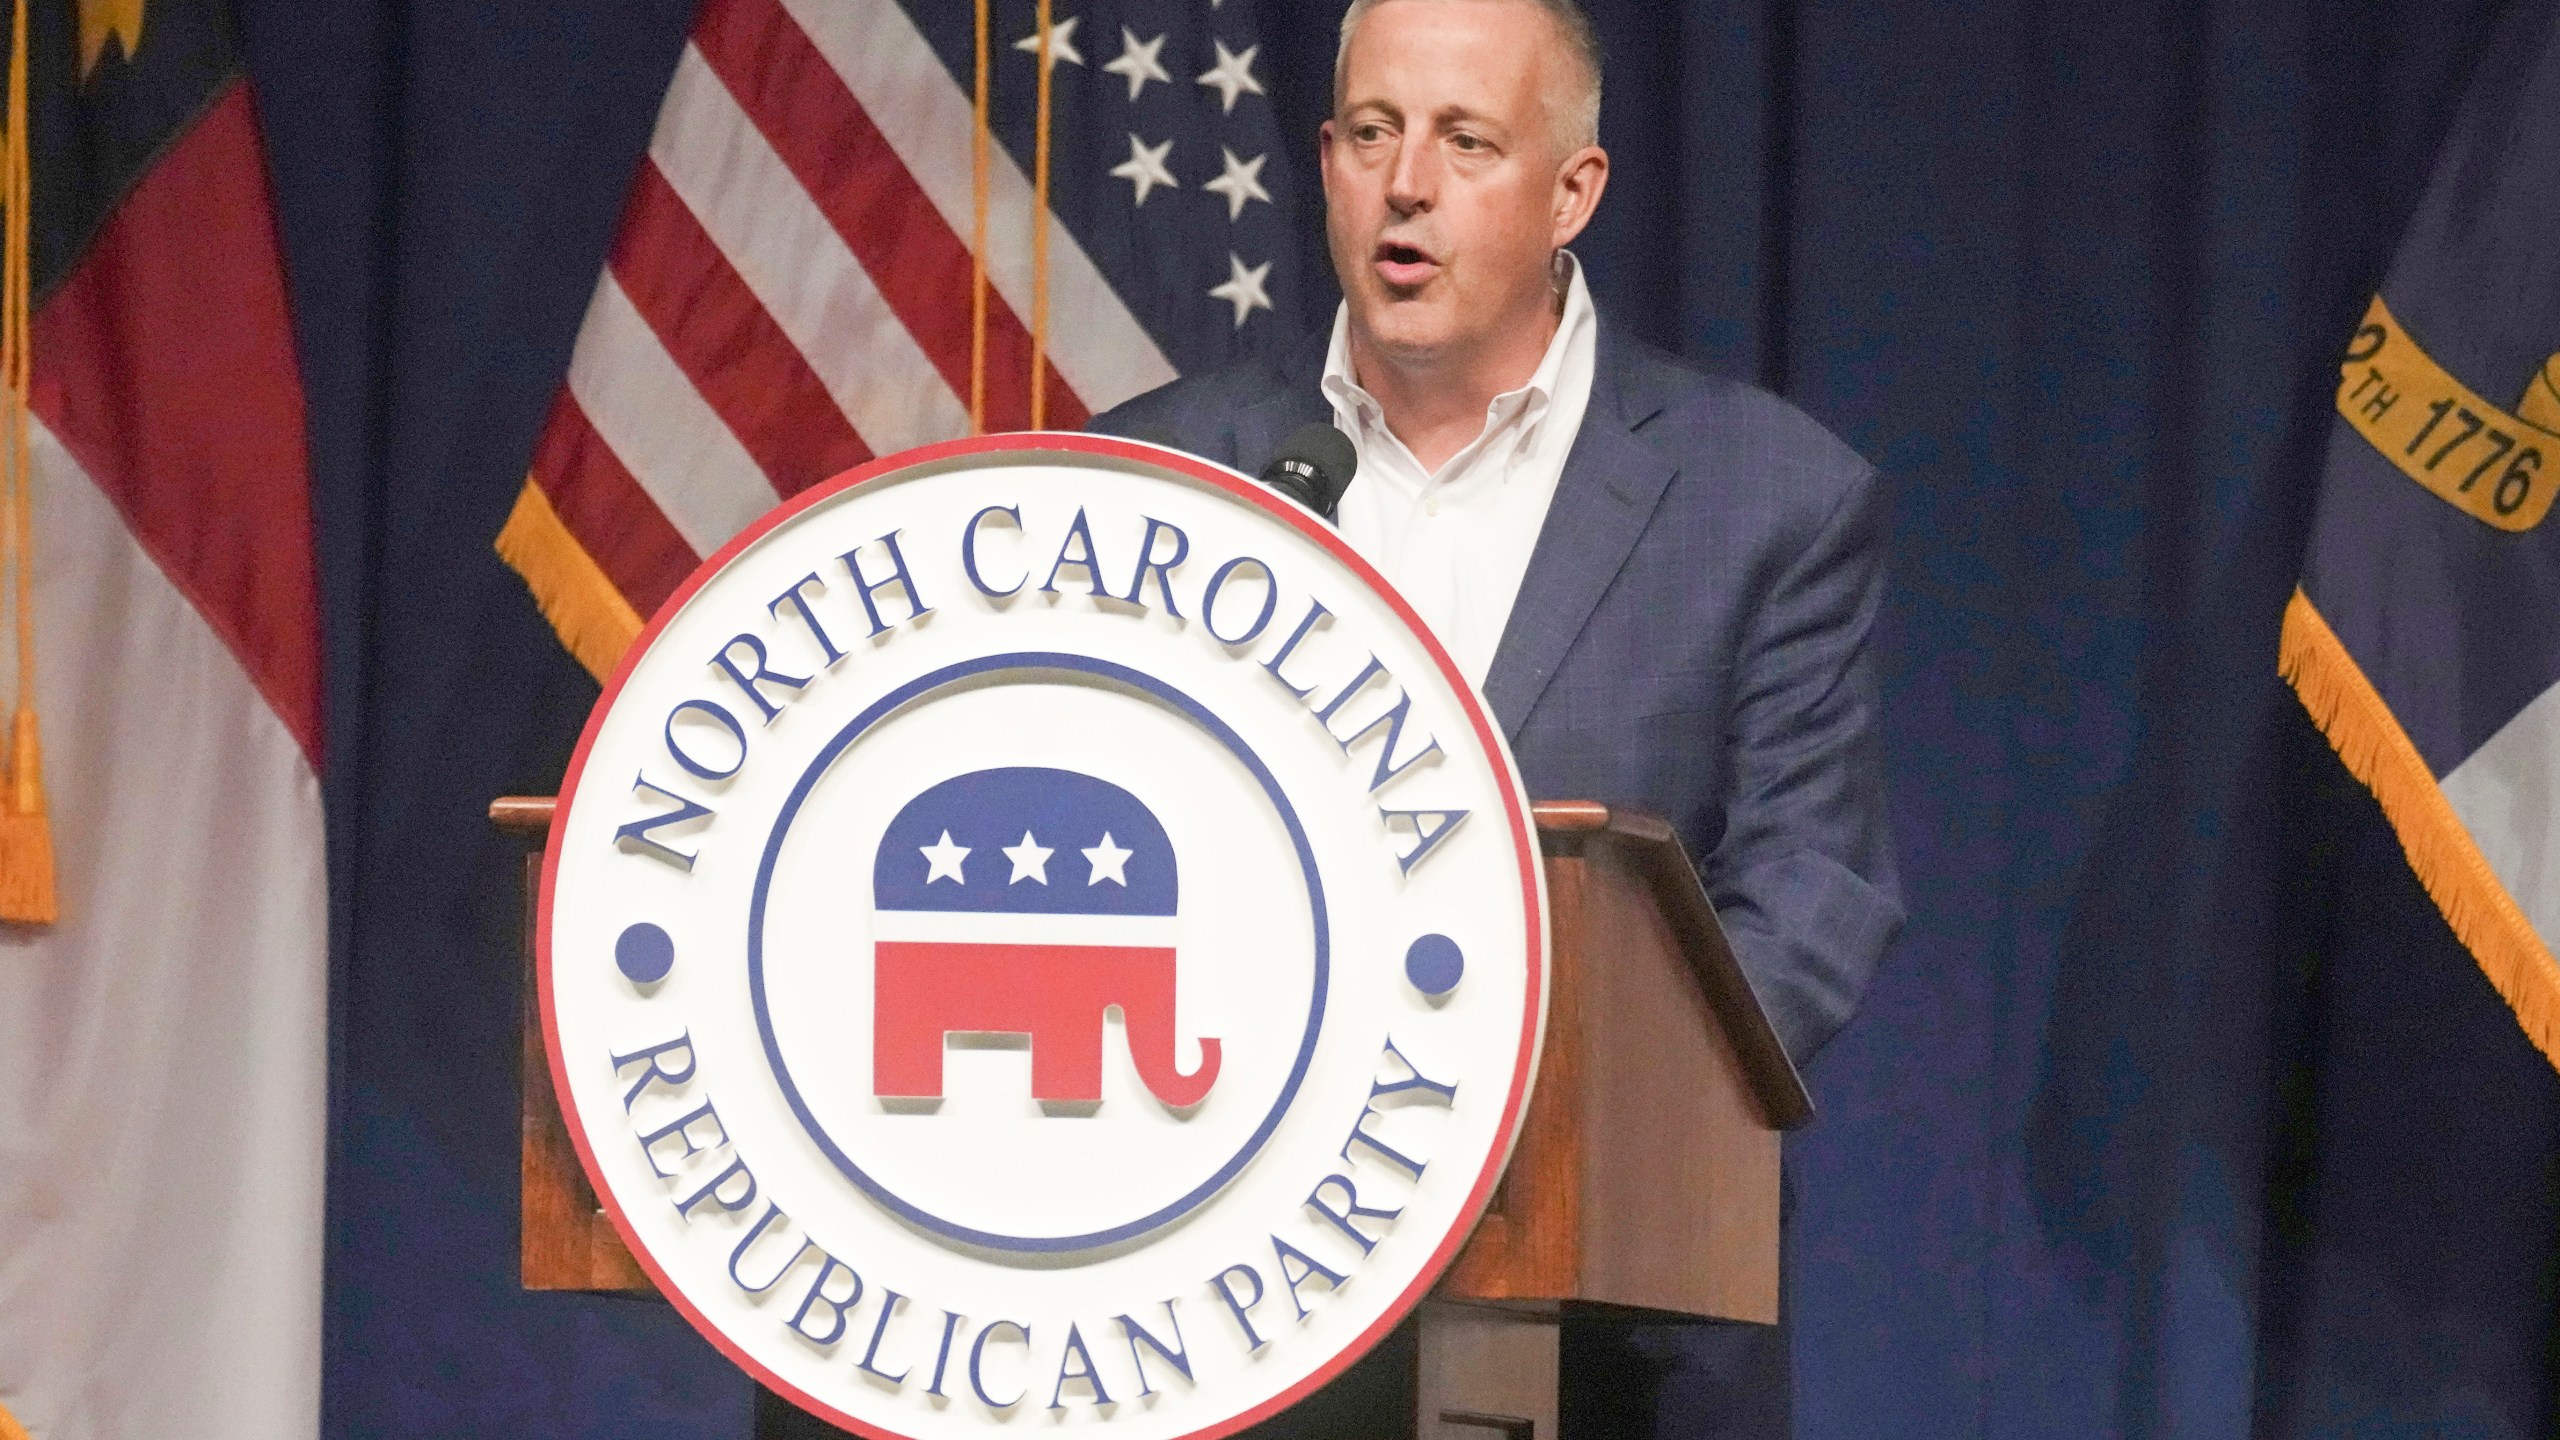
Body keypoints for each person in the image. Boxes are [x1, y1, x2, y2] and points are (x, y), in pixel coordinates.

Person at [1092, 0, 1903, 1433]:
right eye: (1370, 133)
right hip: (1210, 1324)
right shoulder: (1158, 471)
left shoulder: (1766, 500)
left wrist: (1528, 1129)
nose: (1407, 183)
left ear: (1571, 194)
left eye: (1467, 142)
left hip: (1600, 1335)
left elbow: (1809, 899)